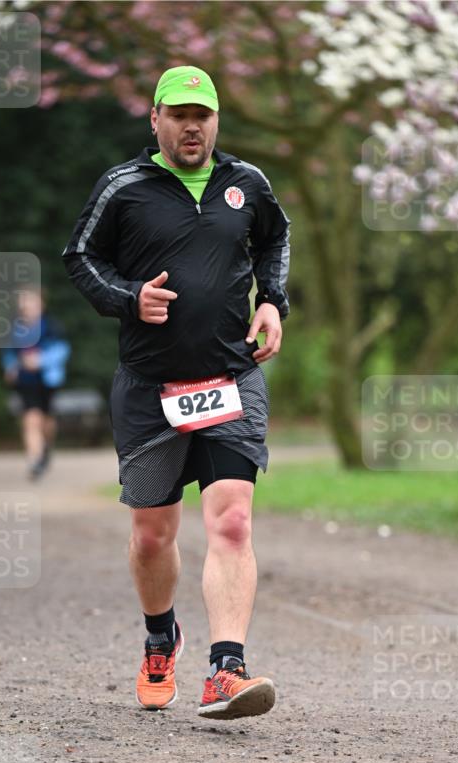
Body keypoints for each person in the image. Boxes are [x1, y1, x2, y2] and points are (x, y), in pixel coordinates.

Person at [63, 65, 290, 720]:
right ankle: (161, 637)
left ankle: (226, 670)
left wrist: (273, 301)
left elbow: (275, 237)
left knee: (232, 518)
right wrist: (128, 298)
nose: (192, 126)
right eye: (178, 114)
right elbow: (79, 256)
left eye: (203, 115)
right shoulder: (124, 186)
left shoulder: (246, 184)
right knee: (151, 537)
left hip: (231, 377)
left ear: (216, 120)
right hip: (149, 388)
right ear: (155, 119)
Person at [1, 287, 70, 480]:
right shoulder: (15, 329)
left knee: (46, 421)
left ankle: (46, 448)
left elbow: (63, 350)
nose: (27, 305)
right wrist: (10, 367)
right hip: (25, 382)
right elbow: (9, 353)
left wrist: (40, 361)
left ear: (41, 304)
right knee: (31, 419)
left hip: (48, 380)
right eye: (24, 302)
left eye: (31, 301)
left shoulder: (52, 326)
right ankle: (35, 460)